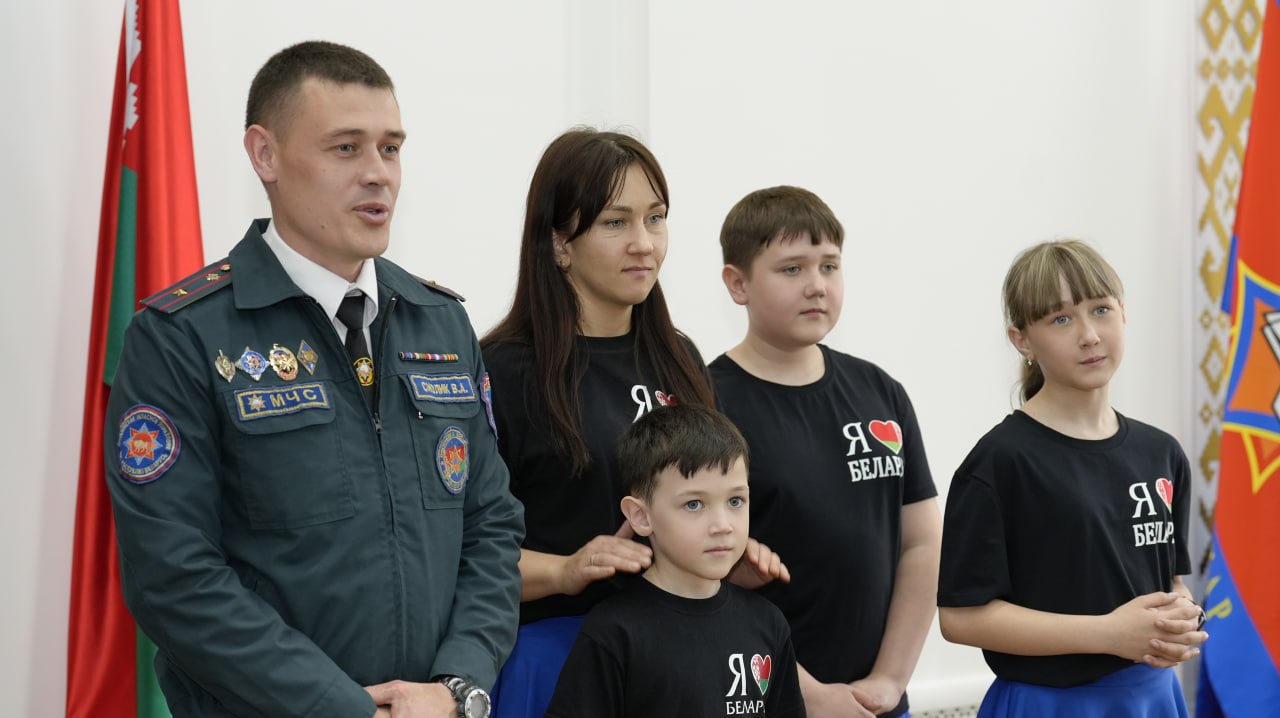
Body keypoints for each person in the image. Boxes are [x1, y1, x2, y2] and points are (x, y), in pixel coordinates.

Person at [104, 41, 523, 718]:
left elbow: (491, 526)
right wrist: (342, 707)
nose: (378, 174)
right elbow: (174, 576)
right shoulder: (183, 336)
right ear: (265, 155)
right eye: (346, 148)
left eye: (391, 148)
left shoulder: (439, 325)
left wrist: (457, 684)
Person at [480, 128, 788, 718]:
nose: (643, 243)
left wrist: (728, 557)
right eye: (615, 222)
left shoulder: (680, 358)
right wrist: (566, 570)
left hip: (679, 654)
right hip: (556, 655)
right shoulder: (505, 370)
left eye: (655, 218)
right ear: (559, 242)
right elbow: (457, 554)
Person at [937, 239, 1208, 717]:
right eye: (1061, 319)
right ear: (1022, 341)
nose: (1089, 335)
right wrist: (1107, 633)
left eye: (1101, 310)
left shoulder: (1161, 452)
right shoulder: (1001, 461)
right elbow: (961, 618)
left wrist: (1180, 617)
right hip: (1049, 703)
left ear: (1123, 313)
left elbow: (1169, 581)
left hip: (1152, 698)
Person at [710, 186, 941, 718]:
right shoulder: (707, 404)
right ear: (738, 284)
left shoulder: (880, 392)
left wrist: (889, 680)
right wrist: (810, 695)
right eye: (792, 269)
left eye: (830, 266)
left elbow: (922, 544)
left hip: (876, 702)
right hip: (765, 699)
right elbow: (690, 575)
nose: (817, 285)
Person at [545, 404, 806, 717]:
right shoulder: (614, 632)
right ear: (641, 517)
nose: (723, 525)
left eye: (735, 500)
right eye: (694, 504)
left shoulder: (768, 623)